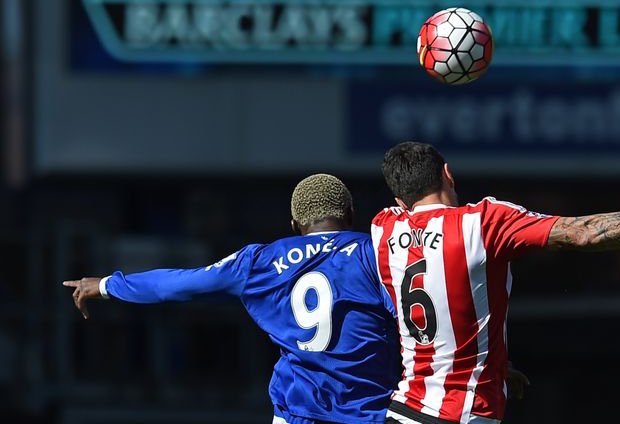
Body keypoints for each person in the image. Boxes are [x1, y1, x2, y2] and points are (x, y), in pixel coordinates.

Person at [373, 142, 620, 424]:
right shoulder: (482, 223)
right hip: (459, 413)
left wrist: (495, 365)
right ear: (448, 175)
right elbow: (586, 234)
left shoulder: (382, 228)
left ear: (399, 201)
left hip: (403, 409)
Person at [64, 174, 400, 424]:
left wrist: (108, 285)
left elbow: (178, 284)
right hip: (368, 411)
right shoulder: (378, 252)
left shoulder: (258, 261)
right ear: (351, 215)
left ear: (295, 224)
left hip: (299, 412)